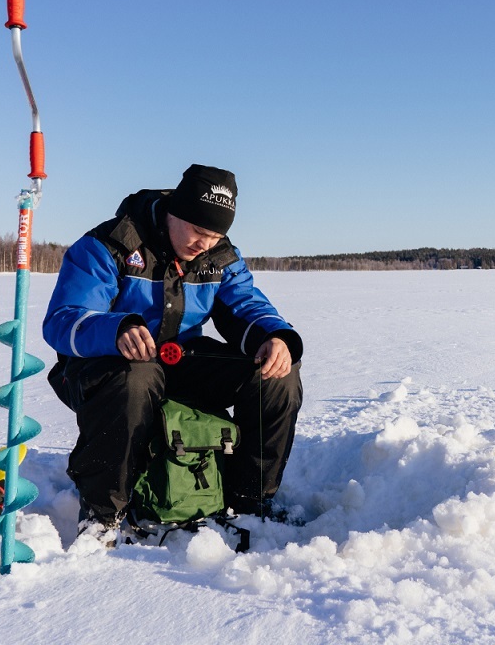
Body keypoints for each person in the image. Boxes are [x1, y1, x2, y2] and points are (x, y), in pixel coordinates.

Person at [42, 164, 303, 544]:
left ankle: (250, 502)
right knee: (137, 377)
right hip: (103, 367)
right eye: (199, 231)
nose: (205, 244)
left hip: (179, 359)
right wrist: (116, 330)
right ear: (173, 212)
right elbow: (64, 320)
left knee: (276, 374)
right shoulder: (109, 245)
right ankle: (102, 516)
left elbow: (246, 305)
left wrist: (276, 336)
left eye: (215, 236)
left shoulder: (219, 257)